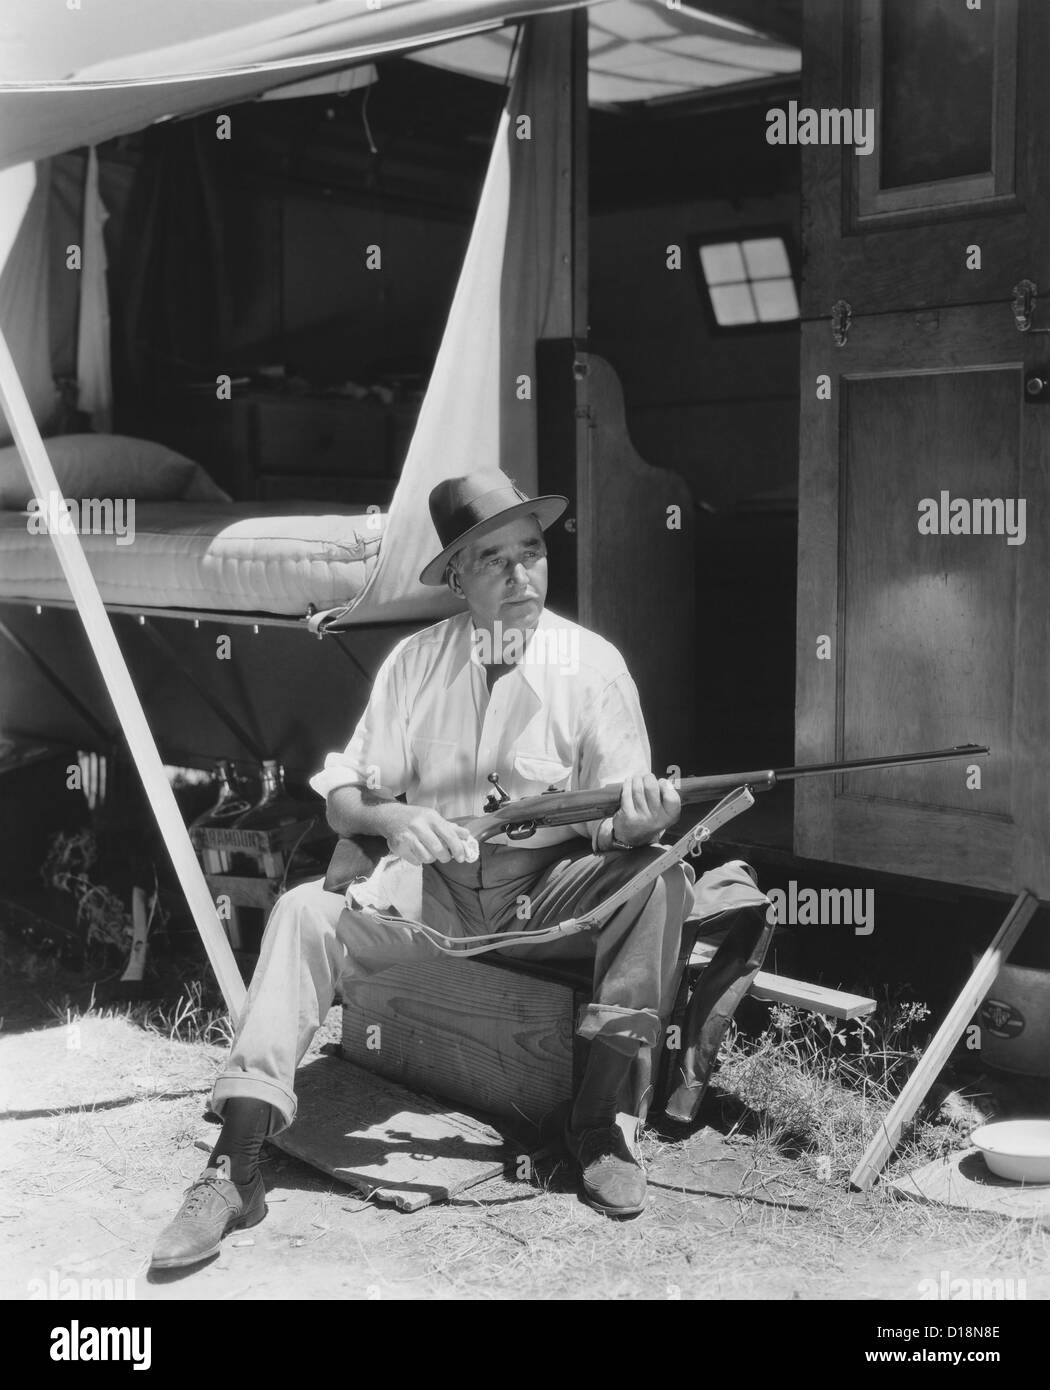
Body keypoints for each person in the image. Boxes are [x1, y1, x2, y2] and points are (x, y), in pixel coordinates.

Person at [151, 468, 768, 1269]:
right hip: (432, 896)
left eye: (532, 551)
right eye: (493, 559)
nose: (520, 574)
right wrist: (394, 819)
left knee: (662, 878)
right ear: (455, 578)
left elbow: (620, 826)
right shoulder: (414, 663)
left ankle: (599, 1124)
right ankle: (235, 1165)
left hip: (546, 899)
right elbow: (344, 798)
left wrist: (640, 823)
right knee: (304, 911)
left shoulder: (594, 668)